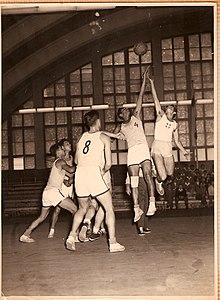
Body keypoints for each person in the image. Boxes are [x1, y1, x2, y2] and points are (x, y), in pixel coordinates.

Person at [65, 110, 125, 253]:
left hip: (80, 174)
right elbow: (108, 164)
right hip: (93, 172)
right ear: (98, 121)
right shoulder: (103, 137)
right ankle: (113, 243)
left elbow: (77, 160)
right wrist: (101, 173)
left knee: (82, 208)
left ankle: (71, 237)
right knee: (109, 208)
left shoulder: (81, 138)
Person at [104, 68, 156, 223]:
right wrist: (109, 135)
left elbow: (140, 96)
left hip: (142, 148)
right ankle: (136, 208)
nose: (128, 110)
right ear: (121, 115)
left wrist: (144, 81)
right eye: (125, 111)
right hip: (132, 151)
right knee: (133, 181)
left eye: (128, 109)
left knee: (147, 174)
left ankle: (152, 203)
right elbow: (112, 139)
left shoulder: (136, 117)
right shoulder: (121, 126)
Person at [19, 143, 77, 243]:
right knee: (75, 210)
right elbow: (72, 169)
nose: (63, 150)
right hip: (53, 192)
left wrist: (73, 176)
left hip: (46, 193)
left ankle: (25, 234)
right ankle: (74, 236)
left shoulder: (57, 164)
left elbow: (70, 174)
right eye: (61, 149)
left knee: (42, 217)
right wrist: (82, 163)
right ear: (57, 152)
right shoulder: (60, 161)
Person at [147, 68, 190, 196]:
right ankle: (158, 179)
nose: (168, 111)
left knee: (170, 173)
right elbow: (156, 101)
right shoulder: (160, 116)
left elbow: (176, 140)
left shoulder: (175, 124)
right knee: (164, 176)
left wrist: (184, 151)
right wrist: (152, 84)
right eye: (167, 110)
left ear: (174, 112)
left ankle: (158, 179)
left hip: (167, 147)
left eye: (171, 110)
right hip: (157, 146)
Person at [48, 139, 75, 239]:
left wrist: (71, 181)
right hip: (62, 184)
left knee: (76, 207)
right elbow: (58, 173)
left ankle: (74, 231)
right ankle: (52, 229)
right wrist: (65, 181)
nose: (70, 144)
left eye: (69, 143)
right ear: (62, 148)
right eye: (67, 144)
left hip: (72, 183)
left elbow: (73, 172)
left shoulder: (73, 157)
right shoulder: (60, 159)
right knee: (57, 209)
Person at [125, 170, 151, 236]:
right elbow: (129, 173)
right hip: (138, 180)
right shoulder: (133, 161)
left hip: (147, 180)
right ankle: (140, 227)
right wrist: (127, 185)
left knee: (147, 204)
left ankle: (145, 225)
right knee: (141, 204)